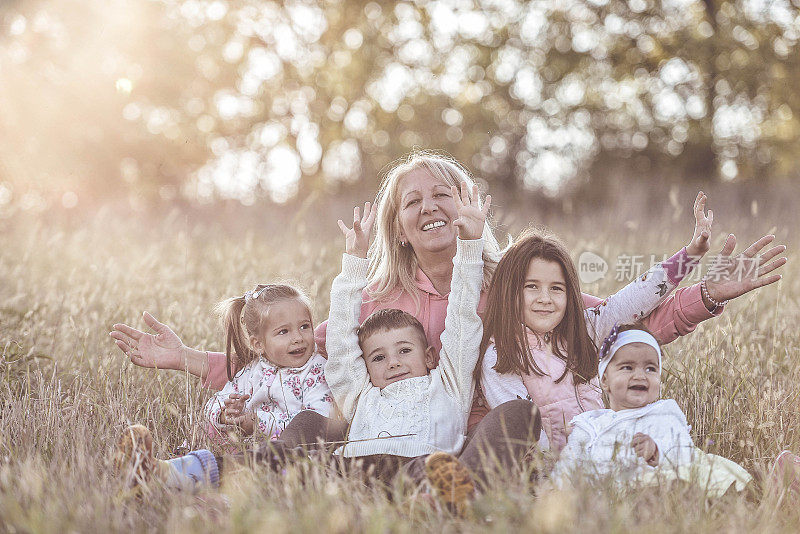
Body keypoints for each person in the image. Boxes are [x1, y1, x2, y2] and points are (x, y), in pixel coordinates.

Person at [109, 153, 727, 432]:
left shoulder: (513, 279)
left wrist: (708, 292)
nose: (431, 207)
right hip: (408, 434)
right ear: (397, 226)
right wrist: (185, 358)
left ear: (468, 207)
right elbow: (295, 356)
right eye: (413, 201)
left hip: (502, 431)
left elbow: (613, 323)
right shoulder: (377, 299)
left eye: (444, 194)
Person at [550, 323, 752, 497]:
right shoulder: (589, 424)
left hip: (666, 476)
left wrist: (656, 451)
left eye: (650, 369)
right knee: (649, 494)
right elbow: (568, 467)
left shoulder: (664, 413)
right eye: (627, 367)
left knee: (710, 468)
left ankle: (754, 489)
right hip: (619, 493)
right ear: (605, 380)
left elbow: (684, 453)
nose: (640, 376)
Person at [204, 284, 332, 442]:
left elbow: (317, 421)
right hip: (250, 449)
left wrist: (258, 423)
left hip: (292, 450)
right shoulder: (252, 370)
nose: (298, 337)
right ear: (258, 344)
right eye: (284, 331)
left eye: (304, 326)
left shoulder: (315, 370)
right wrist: (226, 414)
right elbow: (214, 402)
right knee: (210, 432)